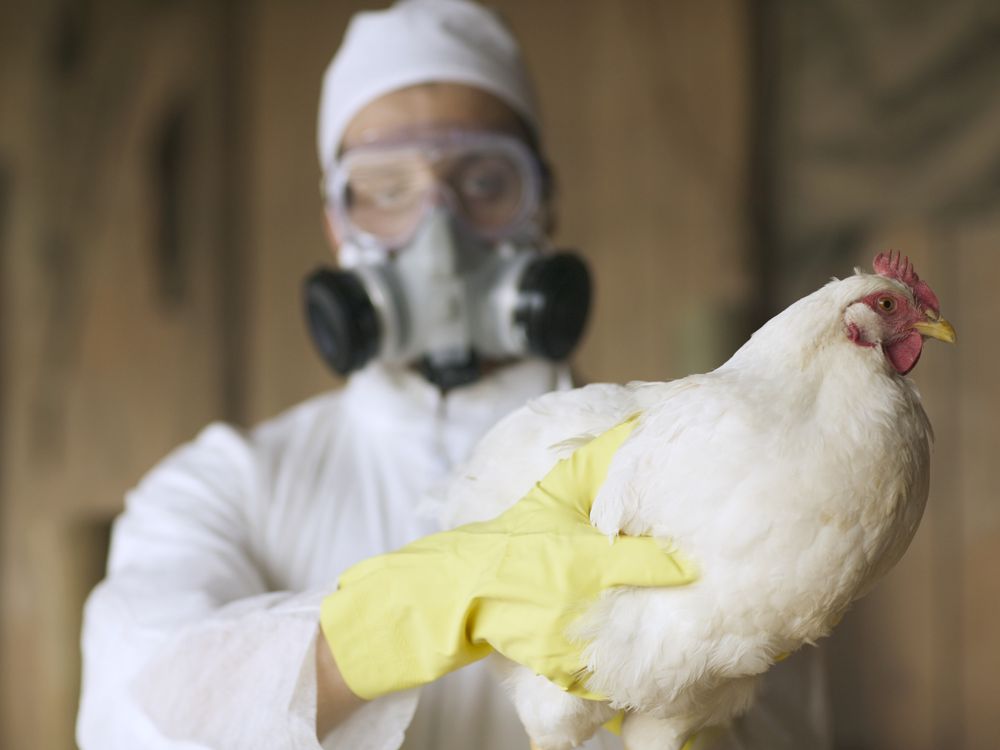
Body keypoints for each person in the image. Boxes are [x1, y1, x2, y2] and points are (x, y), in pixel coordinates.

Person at [77, 2, 831, 749]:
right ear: (337, 224)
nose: (438, 236)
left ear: (544, 202)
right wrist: (405, 614)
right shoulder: (219, 488)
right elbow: (136, 716)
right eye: (386, 189)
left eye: (483, 181)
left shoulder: (702, 480)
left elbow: (791, 731)